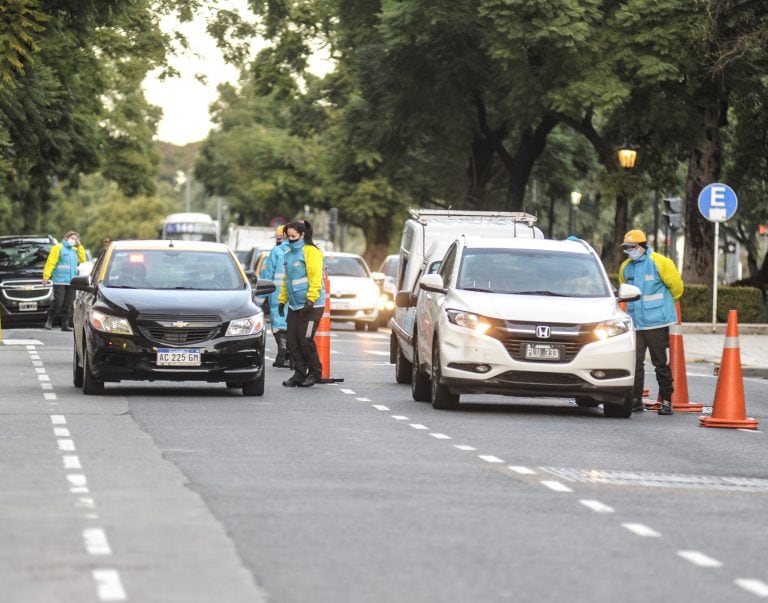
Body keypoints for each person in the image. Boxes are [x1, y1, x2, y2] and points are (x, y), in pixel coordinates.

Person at [618, 229, 684, 415]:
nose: (629, 250)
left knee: (660, 363)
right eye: (626, 248)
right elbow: (624, 289)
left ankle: (667, 401)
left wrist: (663, 307)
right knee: (635, 362)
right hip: (636, 324)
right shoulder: (626, 267)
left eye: (632, 247)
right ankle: (636, 399)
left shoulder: (660, 262)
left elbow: (677, 288)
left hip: (656, 323)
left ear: (642, 246)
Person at [277, 219, 325, 387]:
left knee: (306, 340)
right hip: (294, 305)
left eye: (294, 236)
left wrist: (311, 299)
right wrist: (282, 301)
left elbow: (315, 277)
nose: (290, 239)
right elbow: (287, 280)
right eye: (288, 236)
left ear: (302, 235)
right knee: (292, 341)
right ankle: (299, 374)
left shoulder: (311, 252)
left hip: (312, 305)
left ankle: (314, 373)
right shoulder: (288, 254)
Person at [260, 225, 292, 368]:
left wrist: (261, 299)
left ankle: (283, 353)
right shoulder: (301, 251)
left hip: (277, 294)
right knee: (293, 324)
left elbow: (267, 276)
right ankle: (291, 356)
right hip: (296, 295)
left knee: (279, 324)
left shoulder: (276, 252)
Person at [42, 231, 87, 331]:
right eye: (72, 238)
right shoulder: (58, 247)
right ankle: (50, 319)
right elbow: (50, 262)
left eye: (75, 239)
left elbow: (83, 259)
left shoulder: (75, 250)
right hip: (59, 280)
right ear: (66, 238)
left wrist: (80, 247)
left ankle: (65, 324)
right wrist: (46, 276)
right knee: (59, 301)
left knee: (68, 303)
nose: (73, 240)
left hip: (71, 281)